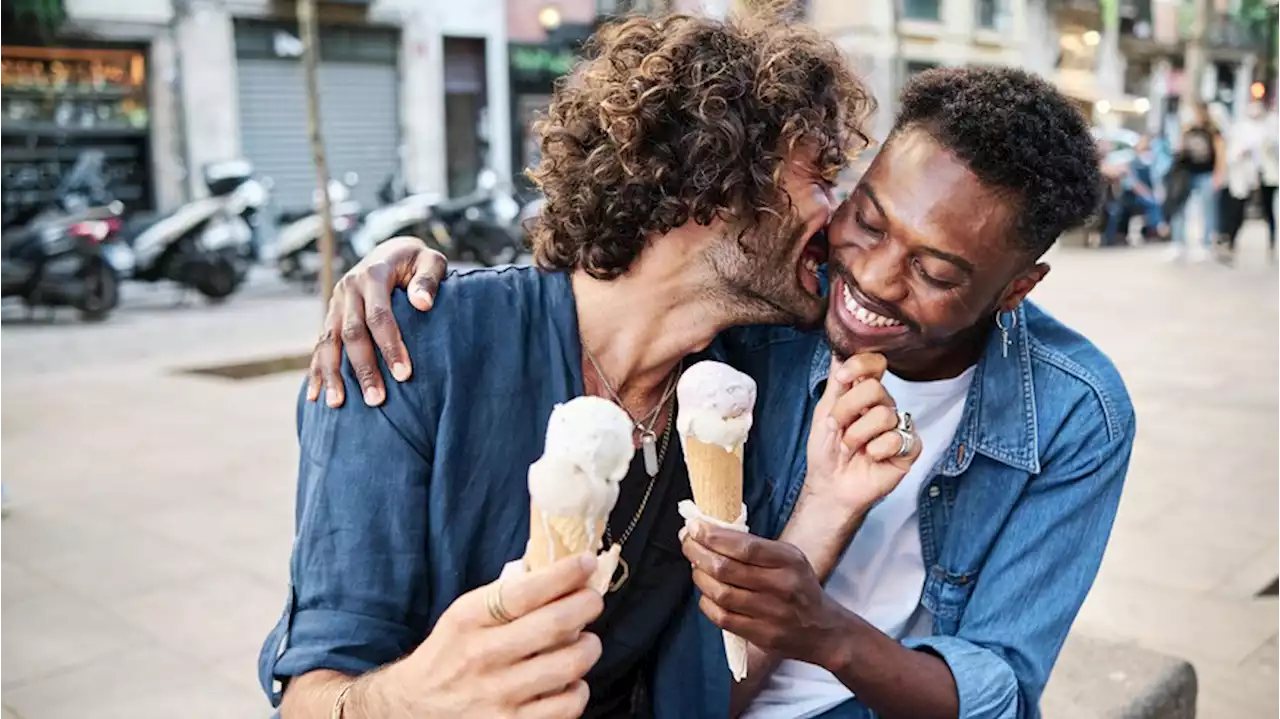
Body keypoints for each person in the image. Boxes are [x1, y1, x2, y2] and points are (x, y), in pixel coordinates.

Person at [313, 66, 1134, 719]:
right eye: (859, 209)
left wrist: (824, 605)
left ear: (1015, 287)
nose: (868, 275)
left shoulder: (1068, 412)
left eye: (935, 270)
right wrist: (402, 274)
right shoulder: (749, 335)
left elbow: (1001, 682)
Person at [258, 11, 914, 719]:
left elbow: (709, 686)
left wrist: (832, 503)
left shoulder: (737, 389)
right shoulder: (412, 348)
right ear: (713, 182)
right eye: (821, 173)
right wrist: (415, 699)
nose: (840, 212)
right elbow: (311, 695)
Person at [1217, 101, 1279, 263]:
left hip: (1263, 176)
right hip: (1241, 176)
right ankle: (1229, 239)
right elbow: (1233, 153)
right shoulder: (1241, 129)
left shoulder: (1267, 130)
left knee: (1267, 209)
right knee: (1236, 209)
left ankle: (1271, 240)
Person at [1166, 102, 1225, 262]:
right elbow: (1179, 149)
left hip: (1206, 173)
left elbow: (1220, 153)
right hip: (1186, 174)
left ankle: (1206, 244)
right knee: (1179, 208)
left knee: (1208, 210)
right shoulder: (1187, 129)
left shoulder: (1213, 131)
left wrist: (1218, 175)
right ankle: (1178, 242)